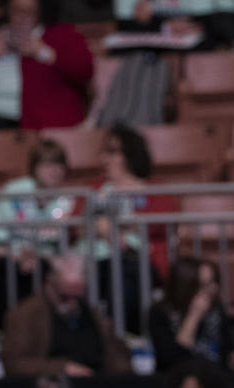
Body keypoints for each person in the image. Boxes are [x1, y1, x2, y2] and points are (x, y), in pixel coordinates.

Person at [76, 124, 178, 333]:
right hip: (95, 260)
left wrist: (115, 228)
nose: (105, 158)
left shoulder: (156, 190)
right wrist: (100, 228)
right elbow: (74, 223)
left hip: (139, 261)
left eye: (113, 152)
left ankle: (118, 335)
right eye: (104, 152)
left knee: (125, 273)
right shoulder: (92, 188)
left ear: (131, 153)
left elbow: (161, 222)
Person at [0, 0, 93, 129]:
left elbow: (84, 70)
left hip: (42, 124)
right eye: (17, 10)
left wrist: (42, 52)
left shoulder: (60, 35)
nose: (22, 17)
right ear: (7, 9)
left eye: (29, 11)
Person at [0, 139, 74, 331]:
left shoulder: (69, 200)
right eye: (48, 164)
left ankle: (35, 335)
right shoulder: (13, 191)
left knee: (41, 271)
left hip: (46, 262)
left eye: (60, 164)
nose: (55, 171)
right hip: (11, 257)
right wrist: (19, 256)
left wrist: (35, 256)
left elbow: (65, 249)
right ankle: (1, 332)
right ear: (34, 168)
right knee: (1, 270)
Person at [1, 253, 132, 376]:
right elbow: (14, 364)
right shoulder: (26, 314)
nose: (72, 302)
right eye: (65, 296)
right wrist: (62, 368)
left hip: (98, 383)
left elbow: (117, 356)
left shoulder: (92, 313)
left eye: (78, 295)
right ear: (51, 282)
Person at [149, 257, 234, 371]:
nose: (214, 288)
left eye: (215, 281)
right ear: (185, 287)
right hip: (177, 379)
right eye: (204, 285)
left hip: (214, 377)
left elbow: (227, 350)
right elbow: (172, 359)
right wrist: (194, 316)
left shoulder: (216, 311)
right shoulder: (160, 312)